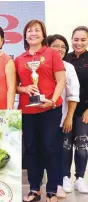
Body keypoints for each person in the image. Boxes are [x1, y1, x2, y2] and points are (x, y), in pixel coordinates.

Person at [15, 20, 66, 202]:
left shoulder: (52, 54)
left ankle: (52, 188)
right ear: (25, 35)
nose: (33, 33)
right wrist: (24, 89)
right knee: (30, 149)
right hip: (28, 111)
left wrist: (52, 101)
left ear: (43, 35)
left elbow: (61, 81)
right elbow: (14, 86)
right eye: (29, 31)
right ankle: (34, 188)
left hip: (50, 109)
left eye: (37, 30)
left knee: (49, 147)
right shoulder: (19, 59)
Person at [47, 34, 80, 197]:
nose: (60, 49)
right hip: (40, 117)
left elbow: (73, 94)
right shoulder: (40, 64)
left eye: (63, 47)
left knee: (59, 150)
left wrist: (68, 117)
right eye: (56, 46)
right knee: (43, 150)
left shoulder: (68, 67)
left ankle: (61, 180)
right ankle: (43, 183)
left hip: (60, 116)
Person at [64, 26, 88, 193]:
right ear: (71, 39)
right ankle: (64, 176)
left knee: (81, 144)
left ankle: (80, 178)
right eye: (76, 39)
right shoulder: (64, 58)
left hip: (84, 111)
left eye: (83, 40)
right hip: (65, 110)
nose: (78, 43)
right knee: (65, 144)